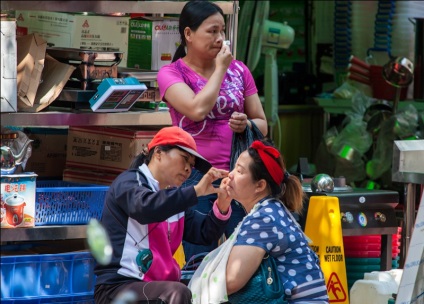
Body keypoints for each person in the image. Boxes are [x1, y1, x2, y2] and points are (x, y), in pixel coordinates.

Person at [157, 0, 268, 260]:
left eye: (222, 31)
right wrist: (220, 68)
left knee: (244, 254)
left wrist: (247, 123)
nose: (219, 38)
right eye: (212, 31)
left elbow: (262, 122)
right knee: (200, 257)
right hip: (195, 175)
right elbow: (197, 109)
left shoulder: (240, 70)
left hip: (238, 176)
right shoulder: (172, 73)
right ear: (188, 34)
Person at [94, 126, 232, 304]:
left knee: (213, 291)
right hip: (118, 287)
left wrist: (223, 204)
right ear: (158, 153)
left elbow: (204, 232)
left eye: (191, 165)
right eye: (184, 159)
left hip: (158, 287)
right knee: (176, 293)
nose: (188, 169)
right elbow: (145, 207)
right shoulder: (129, 181)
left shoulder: (174, 196)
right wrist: (195, 191)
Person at [189, 139, 329, 304]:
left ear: (260, 185)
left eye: (239, 171)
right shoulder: (272, 210)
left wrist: (193, 287)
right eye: (234, 167)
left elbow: (231, 280)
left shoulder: (263, 219)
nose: (230, 174)